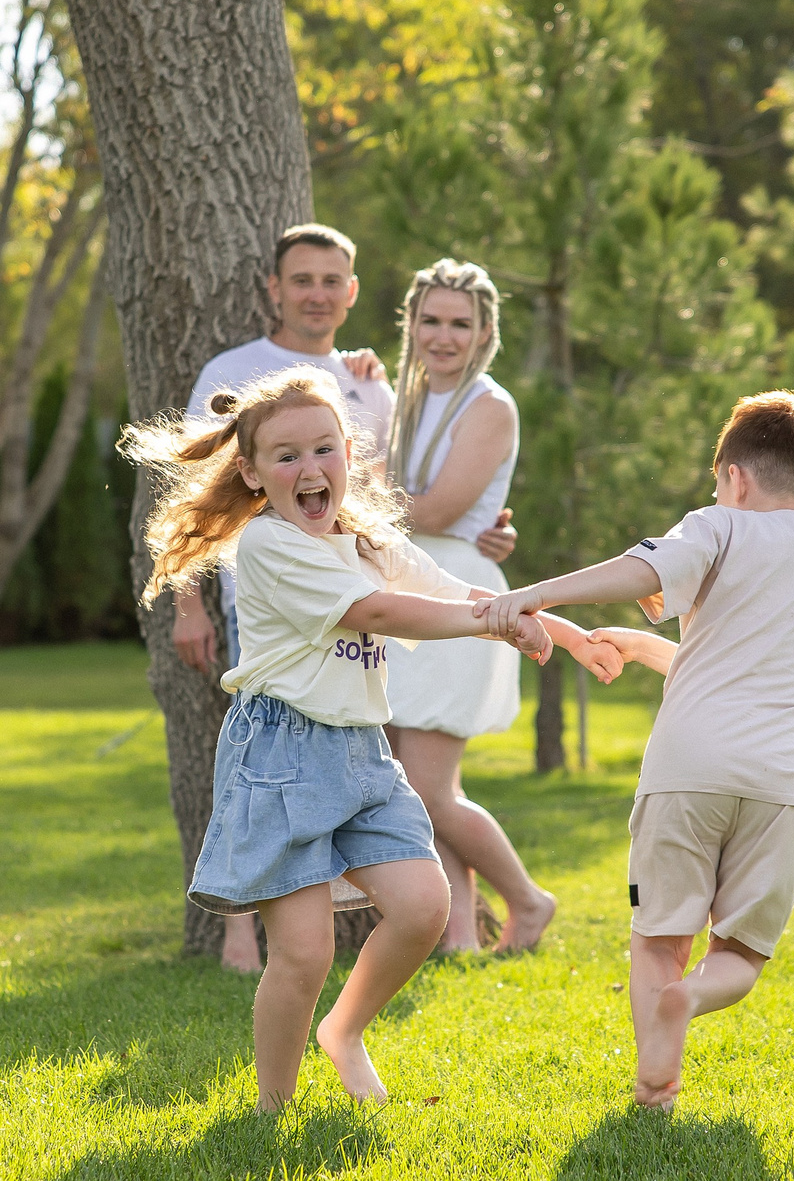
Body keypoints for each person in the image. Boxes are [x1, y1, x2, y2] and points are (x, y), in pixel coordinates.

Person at [125, 367, 596, 1110]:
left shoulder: (368, 539)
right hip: (281, 755)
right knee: (304, 953)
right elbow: (382, 614)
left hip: (362, 750)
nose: (310, 469)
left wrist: (566, 630)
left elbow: (459, 592)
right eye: (286, 456)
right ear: (251, 470)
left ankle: (343, 1031)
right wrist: (498, 623)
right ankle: (271, 1107)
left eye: (324, 448)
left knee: (423, 905)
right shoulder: (272, 545)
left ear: (349, 451)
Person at [479, 390, 794, 1111]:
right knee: (740, 954)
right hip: (789, 785)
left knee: (657, 935)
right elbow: (757, 667)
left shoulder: (719, 525)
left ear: (735, 478)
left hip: (688, 771)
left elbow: (640, 571)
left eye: (719, 484)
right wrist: (652, 648)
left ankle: (655, 1088)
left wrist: (534, 593)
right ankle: (688, 1000)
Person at [172, 223, 515, 973]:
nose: (318, 293)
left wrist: (483, 547)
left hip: (365, 636)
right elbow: (208, 494)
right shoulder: (236, 371)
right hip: (283, 609)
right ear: (275, 287)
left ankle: (437, 931)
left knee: (393, 789)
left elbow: (390, 502)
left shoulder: (368, 382)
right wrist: (187, 604)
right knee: (269, 804)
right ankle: (239, 938)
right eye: (302, 279)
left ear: (353, 293)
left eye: (333, 280)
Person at [381, 259, 559, 955]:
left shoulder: (490, 405)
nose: (444, 335)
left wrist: (353, 501)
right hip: (403, 588)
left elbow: (443, 508)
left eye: (461, 323)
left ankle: (527, 898)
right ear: (411, 323)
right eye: (431, 320)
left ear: (485, 330)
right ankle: (458, 937)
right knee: (407, 782)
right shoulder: (401, 398)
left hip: (457, 593)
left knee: (428, 785)